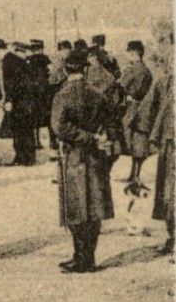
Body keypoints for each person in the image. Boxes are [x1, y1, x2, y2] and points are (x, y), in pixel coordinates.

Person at [52, 49, 117, 273]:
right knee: (94, 206)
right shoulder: (98, 94)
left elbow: (59, 127)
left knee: (77, 206)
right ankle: (88, 258)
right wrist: (100, 138)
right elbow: (111, 123)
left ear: (65, 70)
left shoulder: (62, 95)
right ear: (85, 68)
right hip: (96, 156)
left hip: (75, 156)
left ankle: (81, 257)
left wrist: (86, 138)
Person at [131, 59, 174, 255]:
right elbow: (149, 108)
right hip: (170, 144)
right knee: (169, 192)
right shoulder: (166, 81)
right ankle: (173, 237)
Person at [120, 41, 155, 185]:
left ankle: (134, 175)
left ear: (134, 53)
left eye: (128, 52)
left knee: (130, 140)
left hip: (131, 107)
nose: (127, 55)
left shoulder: (132, 70)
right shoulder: (147, 71)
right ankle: (135, 174)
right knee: (140, 142)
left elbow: (121, 86)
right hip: (143, 109)